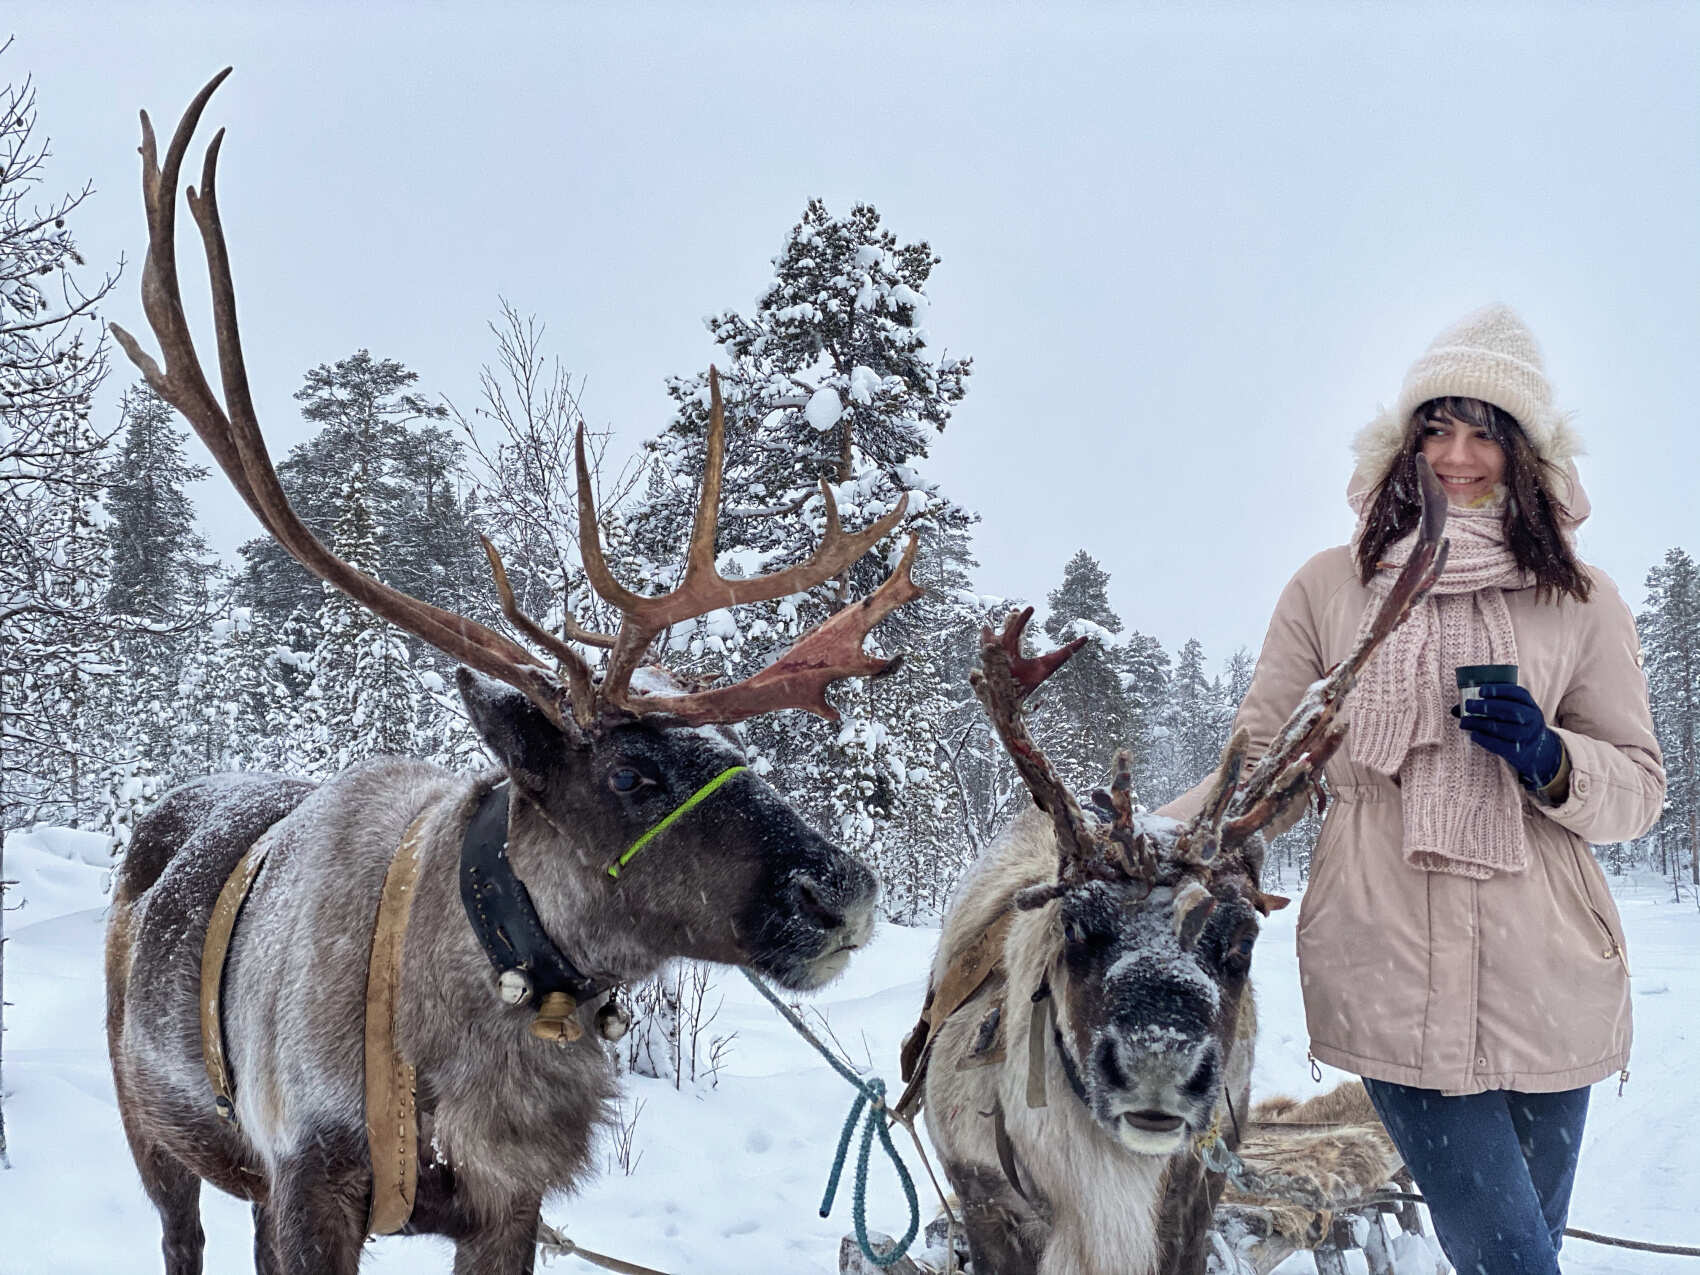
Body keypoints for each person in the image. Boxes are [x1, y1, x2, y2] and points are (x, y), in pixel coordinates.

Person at [1160, 305, 1664, 1275]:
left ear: (1525, 456)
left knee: (1520, 1253)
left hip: (1550, 976)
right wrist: (1145, 838)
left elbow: (1638, 792)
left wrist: (1549, 759)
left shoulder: (1580, 598)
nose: (1456, 456)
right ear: (1401, 443)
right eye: (1436, 427)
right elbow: (1261, 765)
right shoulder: (1328, 588)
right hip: (1386, 967)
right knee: (1511, 1262)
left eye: (1484, 432)